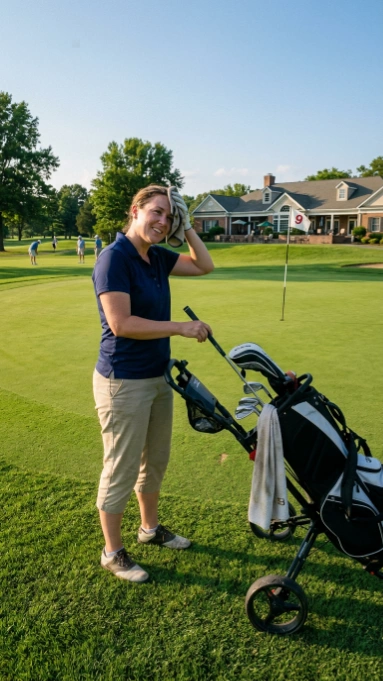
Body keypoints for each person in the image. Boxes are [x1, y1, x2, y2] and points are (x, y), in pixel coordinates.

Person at [92, 184, 214, 583]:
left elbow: (204, 265)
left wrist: (189, 225)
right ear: (136, 210)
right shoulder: (114, 259)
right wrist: (180, 327)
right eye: (157, 213)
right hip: (123, 381)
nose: (162, 221)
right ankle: (112, 552)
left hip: (156, 376)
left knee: (155, 459)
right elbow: (121, 324)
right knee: (121, 467)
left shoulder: (157, 257)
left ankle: (149, 529)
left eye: (169, 216)